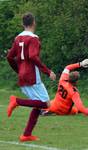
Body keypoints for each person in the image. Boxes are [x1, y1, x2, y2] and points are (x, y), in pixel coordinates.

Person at [6, 12, 56, 142]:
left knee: (38, 104)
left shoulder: (18, 38)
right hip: (32, 76)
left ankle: (26, 134)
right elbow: (33, 56)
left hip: (23, 74)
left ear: (23, 24)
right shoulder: (33, 38)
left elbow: (10, 57)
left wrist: (18, 70)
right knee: (45, 104)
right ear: (34, 23)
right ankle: (17, 101)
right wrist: (48, 71)